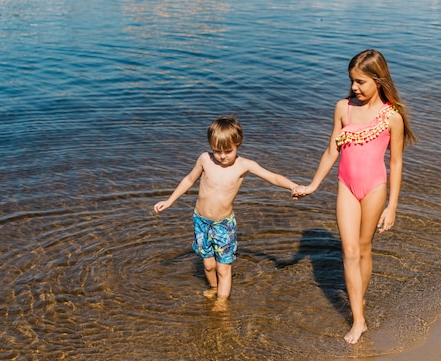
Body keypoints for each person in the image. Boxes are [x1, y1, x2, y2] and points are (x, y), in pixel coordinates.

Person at [293, 50, 417, 343]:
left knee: (363, 249)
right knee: (348, 252)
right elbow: (331, 150)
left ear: (378, 79)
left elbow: (396, 163)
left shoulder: (392, 118)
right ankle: (358, 320)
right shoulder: (343, 109)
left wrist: (393, 206)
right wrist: (312, 185)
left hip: (375, 188)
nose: (354, 87)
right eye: (352, 81)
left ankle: (359, 301)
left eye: (361, 81)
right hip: (346, 187)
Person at [154, 115, 299, 311]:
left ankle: (222, 303)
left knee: (223, 267)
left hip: (223, 224)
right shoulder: (205, 159)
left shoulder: (243, 166)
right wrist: (169, 201)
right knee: (208, 266)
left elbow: (271, 176)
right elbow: (189, 180)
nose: (222, 156)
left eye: (228, 151)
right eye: (217, 151)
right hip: (201, 221)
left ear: (238, 144)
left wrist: (292, 185)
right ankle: (214, 288)